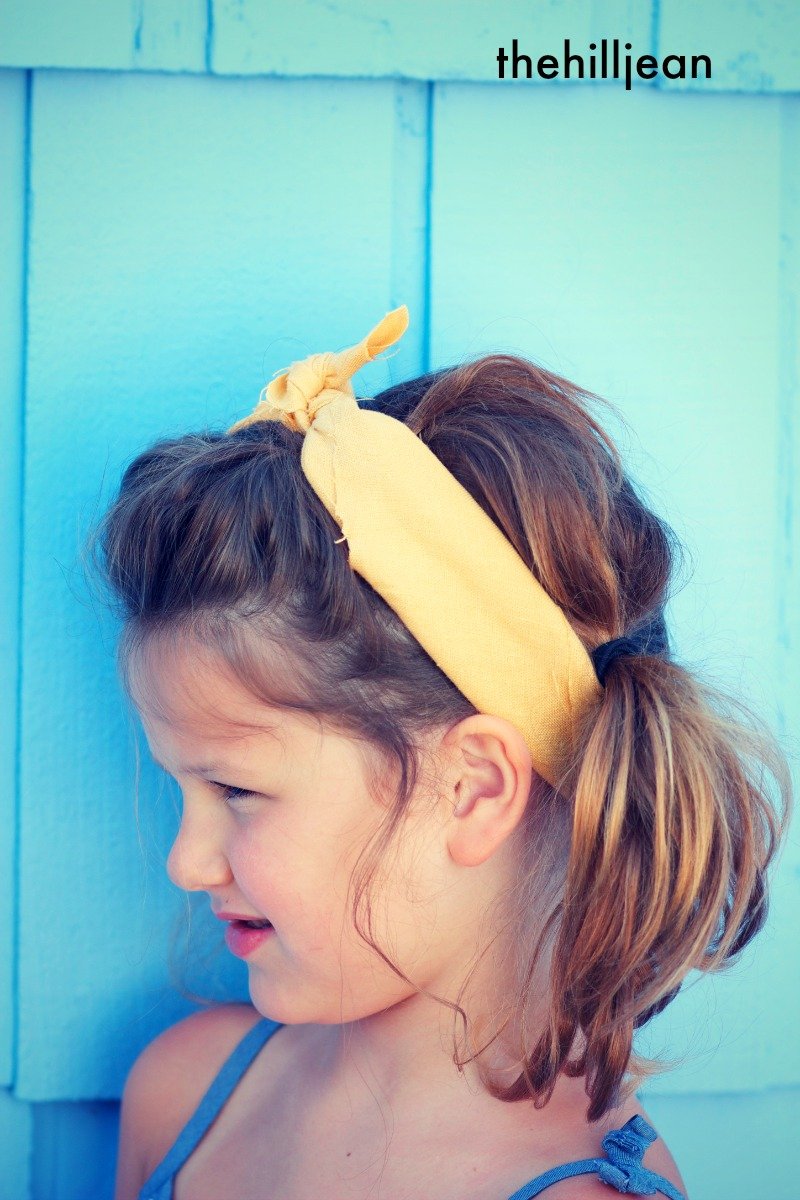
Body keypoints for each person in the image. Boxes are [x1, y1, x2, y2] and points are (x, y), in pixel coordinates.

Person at [91, 307, 792, 1200]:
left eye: (234, 789)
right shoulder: (186, 1097)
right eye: (180, 786)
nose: (184, 863)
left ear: (473, 788)